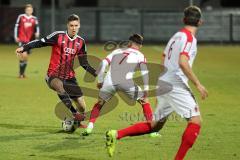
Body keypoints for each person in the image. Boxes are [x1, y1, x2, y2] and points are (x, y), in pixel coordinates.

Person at [105, 6, 208, 160]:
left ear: (183, 20)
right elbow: (183, 61)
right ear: (200, 22)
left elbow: (164, 58)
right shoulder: (189, 38)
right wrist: (198, 84)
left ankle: (116, 134)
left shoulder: (176, 36)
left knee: (155, 125)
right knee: (195, 121)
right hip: (175, 82)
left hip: (164, 80)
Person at [16, 14, 97, 128]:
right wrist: (24, 48)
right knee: (59, 86)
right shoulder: (58, 36)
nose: (73, 28)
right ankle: (74, 113)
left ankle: (77, 122)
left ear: (79, 26)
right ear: (67, 26)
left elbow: (83, 62)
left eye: (76, 25)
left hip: (69, 76)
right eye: (71, 25)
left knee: (82, 105)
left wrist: (95, 73)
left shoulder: (81, 42)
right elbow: (40, 42)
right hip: (53, 75)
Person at [82, 34, 153, 136]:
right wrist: (146, 89)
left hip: (109, 81)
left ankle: (89, 127)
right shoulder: (140, 55)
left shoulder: (117, 51)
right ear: (140, 46)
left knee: (99, 103)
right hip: (126, 82)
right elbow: (144, 72)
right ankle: (152, 130)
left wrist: (100, 81)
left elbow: (103, 63)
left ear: (129, 43)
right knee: (145, 101)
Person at [14, 4, 40, 78]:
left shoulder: (34, 18)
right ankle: (21, 74)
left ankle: (22, 73)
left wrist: (37, 33)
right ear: (25, 10)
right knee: (24, 55)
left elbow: (37, 27)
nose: (29, 11)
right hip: (22, 39)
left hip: (30, 40)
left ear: (32, 11)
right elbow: (16, 26)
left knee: (25, 57)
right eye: (28, 10)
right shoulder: (21, 17)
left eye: (30, 10)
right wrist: (16, 36)